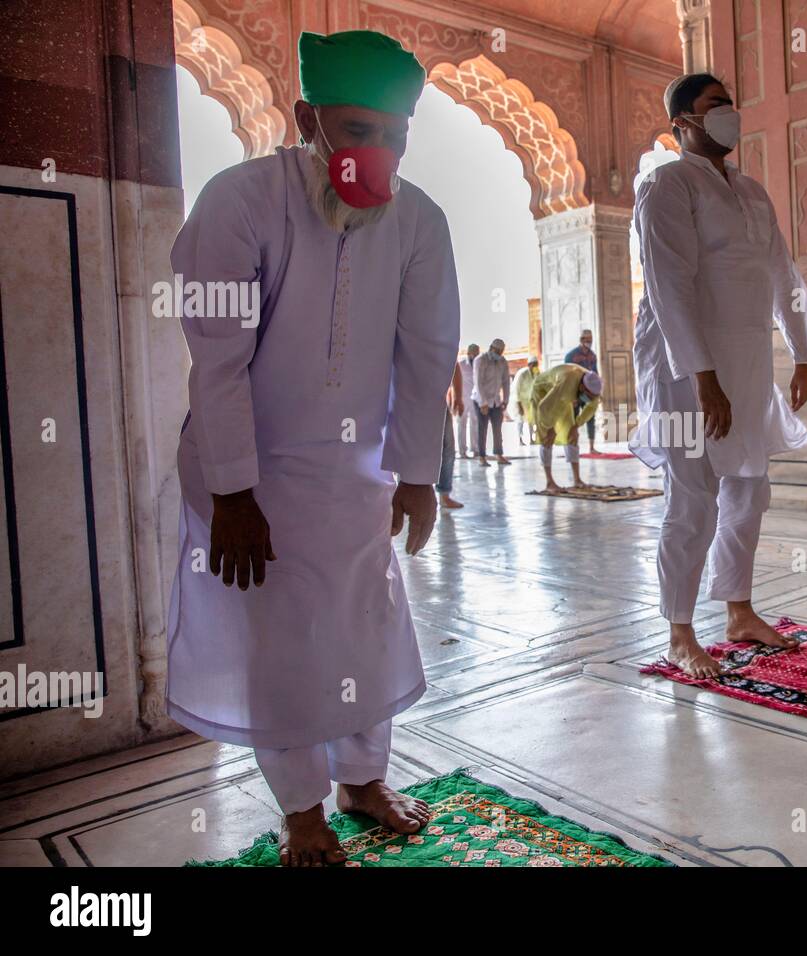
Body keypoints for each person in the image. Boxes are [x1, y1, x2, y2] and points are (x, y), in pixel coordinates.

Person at [165, 30, 459, 866]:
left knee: (367, 626)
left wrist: (415, 475)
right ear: (307, 119)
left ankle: (363, 782)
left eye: (393, 135)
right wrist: (231, 492)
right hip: (252, 478)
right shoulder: (240, 201)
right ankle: (302, 814)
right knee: (283, 643)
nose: (375, 152)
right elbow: (216, 358)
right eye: (356, 131)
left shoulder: (420, 220)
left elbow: (427, 352)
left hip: (358, 479)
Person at [631, 74, 807, 679]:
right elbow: (668, 285)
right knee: (693, 499)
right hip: (682, 366)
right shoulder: (667, 184)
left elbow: (782, 277)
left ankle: (739, 611)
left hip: (743, 362)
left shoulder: (750, 191)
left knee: (749, 490)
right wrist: (702, 376)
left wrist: (803, 354)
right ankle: (679, 632)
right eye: (716, 106)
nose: (730, 114)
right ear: (683, 124)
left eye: (731, 104)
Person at [530, 363, 602, 493]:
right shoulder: (566, 383)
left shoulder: (593, 389)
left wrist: (576, 426)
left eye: (592, 397)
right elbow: (543, 407)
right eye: (588, 396)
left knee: (572, 436)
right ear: (581, 387)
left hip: (562, 397)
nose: (589, 399)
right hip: (542, 393)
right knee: (547, 438)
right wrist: (549, 427)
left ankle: (577, 480)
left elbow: (591, 408)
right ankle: (549, 482)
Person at [473, 338, 512, 466]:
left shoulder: (502, 361)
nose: (499, 354)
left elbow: (506, 382)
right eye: (497, 351)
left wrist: (505, 400)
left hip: (496, 401)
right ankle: (482, 457)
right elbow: (478, 382)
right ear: (491, 348)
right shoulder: (481, 360)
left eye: (501, 352)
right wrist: (483, 403)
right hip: (480, 399)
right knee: (482, 429)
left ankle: (499, 454)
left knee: (497, 428)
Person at [565, 330, 600, 454]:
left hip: (588, 393)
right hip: (575, 393)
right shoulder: (571, 356)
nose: (589, 342)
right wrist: (571, 397)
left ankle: (591, 447)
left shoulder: (592, 355)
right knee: (573, 418)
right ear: (581, 340)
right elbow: (567, 376)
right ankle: (572, 446)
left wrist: (597, 391)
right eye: (587, 340)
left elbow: (595, 374)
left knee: (590, 416)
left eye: (590, 340)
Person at [437, 361, 465, 510]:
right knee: (408, 448)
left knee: (447, 449)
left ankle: (444, 495)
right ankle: (403, 494)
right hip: (407, 400)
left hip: (437, 401)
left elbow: (454, 364)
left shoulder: (439, 339)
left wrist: (458, 397)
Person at [456, 344, 479, 458]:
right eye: (473, 352)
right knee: (461, 424)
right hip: (463, 398)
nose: (475, 355)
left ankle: (475, 449)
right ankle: (462, 451)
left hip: (475, 399)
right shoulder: (461, 364)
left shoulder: (479, 364)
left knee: (475, 424)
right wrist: (455, 399)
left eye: (477, 353)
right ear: (469, 353)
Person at [511, 355, 539, 445]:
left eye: (536, 364)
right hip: (519, 401)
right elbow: (516, 390)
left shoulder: (536, 373)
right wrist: (519, 405)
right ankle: (520, 439)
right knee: (520, 420)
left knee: (532, 420)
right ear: (529, 365)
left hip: (530, 401)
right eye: (533, 364)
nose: (535, 366)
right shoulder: (522, 374)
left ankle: (532, 439)